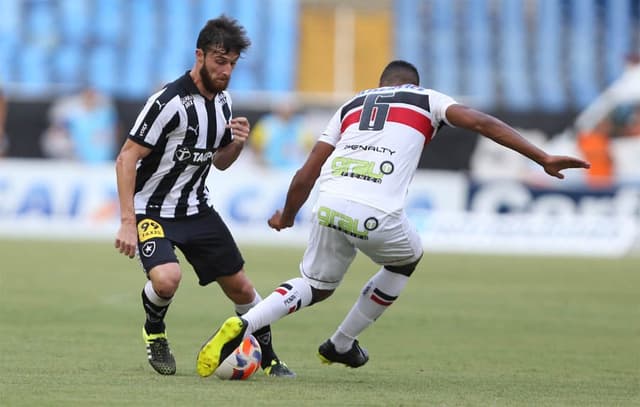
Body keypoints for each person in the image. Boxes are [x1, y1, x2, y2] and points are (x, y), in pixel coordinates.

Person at [195, 60, 590, 376]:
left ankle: (246, 324)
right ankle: (342, 343)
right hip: (375, 211)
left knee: (315, 284)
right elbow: (482, 123)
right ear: (413, 83)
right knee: (406, 259)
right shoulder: (426, 99)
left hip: (329, 203)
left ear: (380, 82)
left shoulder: (351, 106)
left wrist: (287, 215)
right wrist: (542, 157)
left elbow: (307, 171)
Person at [114, 15, 295, 378]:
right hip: (152, 210)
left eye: (231, 63)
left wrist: (238, 144)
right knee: (166, 279)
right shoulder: (167, 101)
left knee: (242, 287)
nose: (226, 70)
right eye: (219, 60)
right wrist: (127, 221)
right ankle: (155, 331)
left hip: (197, 209)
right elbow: (127, 156)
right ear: (200, 55)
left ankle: (270, 356)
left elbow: (221, 162)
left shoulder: (224, 103)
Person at [41, 86, 118, 163]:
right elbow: (56, 128)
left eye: (92, 96)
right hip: (77, 160)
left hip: (102, 160)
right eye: (87, 96)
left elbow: (113, 133)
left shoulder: (105, 114)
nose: (90, 99)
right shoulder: (73, 113)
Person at [249, 97, 313, 169]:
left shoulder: (301, 124)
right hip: (270, 170)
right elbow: (255, 146)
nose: (286, 110)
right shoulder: (266, 124)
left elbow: (310, 148)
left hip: (294, 169)